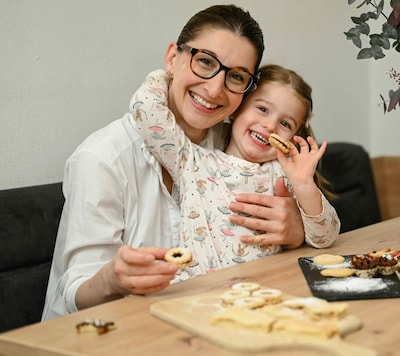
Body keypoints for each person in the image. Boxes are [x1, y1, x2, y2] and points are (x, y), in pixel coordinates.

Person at [42, 5, 306, 321]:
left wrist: (296, 230)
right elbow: (75, 293)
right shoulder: (102, 158)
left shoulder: (238, 147)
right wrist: (112, 279)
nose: (214, 88)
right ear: (172, 58)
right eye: (205, 61)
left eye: (235, 76)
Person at [132, 64, 340, 281]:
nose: (270, 126)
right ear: (237, 108)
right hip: (197, 292)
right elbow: (146, 109)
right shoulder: (192, 161)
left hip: (265, 290)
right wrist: (169, 73)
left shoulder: (284, 176)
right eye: (262, 109)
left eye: (285, 123)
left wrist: (304, 184)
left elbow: (325, 238)